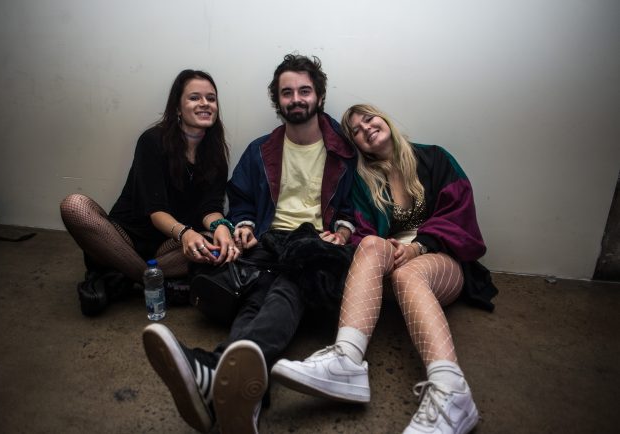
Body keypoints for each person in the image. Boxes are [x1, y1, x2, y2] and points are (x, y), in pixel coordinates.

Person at [142, 54, 357, 434]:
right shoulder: (262, 150)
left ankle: (212, 368)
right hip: (268, 242)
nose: (296, 99)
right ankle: (244, 399)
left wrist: (341, 232)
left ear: (320, 96)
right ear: (278, 100)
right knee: (258, 295)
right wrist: (242, 224)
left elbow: (358, 205)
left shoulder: (345, 151)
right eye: (286, 92)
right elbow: (240, 198)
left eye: (304, 91)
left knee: (290, 282)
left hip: (317, 246)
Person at [271, 104, 498, 434]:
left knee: (409, 273)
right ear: (356, 144)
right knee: (370, 244)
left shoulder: (434, 157)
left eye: (368, 119)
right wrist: (358, 239)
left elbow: (458, 215)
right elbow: (361, 232)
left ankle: (452, 391)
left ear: (384, 119)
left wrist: (418, 247)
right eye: (356, 131)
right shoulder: (363, 180)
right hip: (389, 266)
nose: (366, 128)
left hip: (438, 259)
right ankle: (346, 360)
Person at [60, 70, 239, 315]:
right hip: (126, 238)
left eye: (211, 98)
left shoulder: (216, 154)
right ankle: (149, 278)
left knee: (220, 243)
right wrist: (186, 233)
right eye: (194, 97)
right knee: (74, 206)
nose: (205, 103)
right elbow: (156, 211)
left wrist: (221, 227)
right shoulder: (152, 140)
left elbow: (210, 208)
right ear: (177, 107)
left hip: (167, 248)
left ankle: (120, 277)